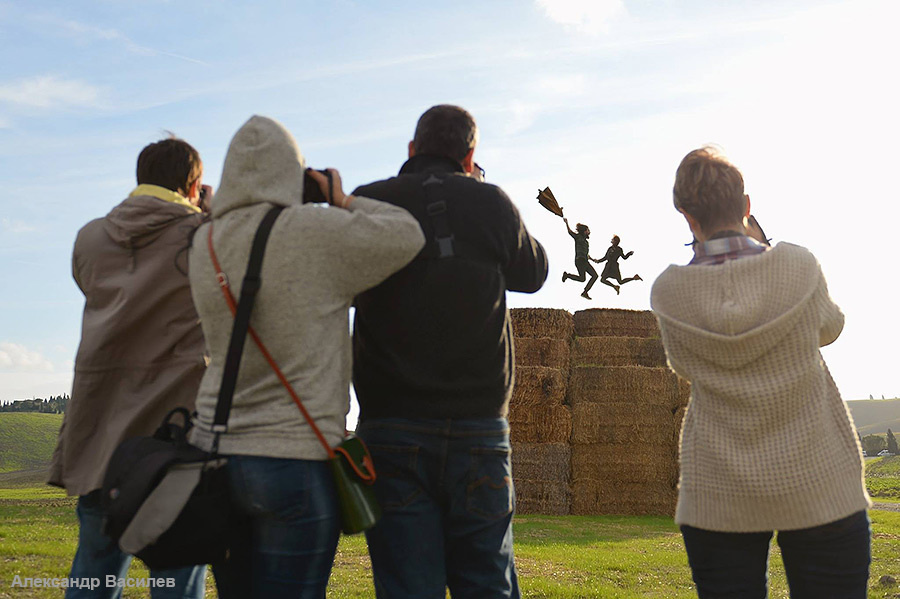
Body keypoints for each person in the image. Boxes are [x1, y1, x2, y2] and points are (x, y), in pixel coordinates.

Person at [186, 115, 424, 598]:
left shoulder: (204, 241)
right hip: (296, 455)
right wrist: (340, 197)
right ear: (291, 173)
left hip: (216, 451)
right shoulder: (315, 229)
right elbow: (406, 234)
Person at [651, 146, 871, 598]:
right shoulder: (797, 266)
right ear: (748, 206)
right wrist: (764, 250)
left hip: (718, 489)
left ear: (687, 218)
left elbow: (681, 363)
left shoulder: (669, 292)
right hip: (819, 478)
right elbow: (831, 327)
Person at [351, 104, 548, 599]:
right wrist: (485, 194)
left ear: (412, 149)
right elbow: (535, 272)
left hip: (391, 424)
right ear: (470, 154)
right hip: (478, 427)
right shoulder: (490, 202)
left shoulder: (369, 202)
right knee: (486, 582)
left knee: (406, 586)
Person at [49, 137, 211, 599]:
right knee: (177, 579)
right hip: (175, 436)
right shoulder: (204, 237)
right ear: (194, 183)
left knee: (94, 572)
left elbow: (91, 286)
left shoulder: (90, 237)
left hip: (103, 435)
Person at [561, 218, 599, 299]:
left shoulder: (586, 242)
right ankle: (567, 275)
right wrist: (566, 223)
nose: (589, 232)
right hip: (579, 261)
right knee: (583, 279)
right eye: (588, 230)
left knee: (594, 276)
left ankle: (585, 292)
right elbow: (570, 232)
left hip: (585, 261)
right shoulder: (578, 237)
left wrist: (592, 259)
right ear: (584, 231)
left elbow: (587, 254)